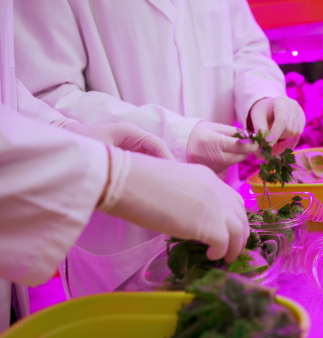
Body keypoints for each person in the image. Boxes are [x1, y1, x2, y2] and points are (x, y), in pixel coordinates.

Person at [14, 0, 305, 298]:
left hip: (223, 197)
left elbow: (245, 49)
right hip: (123, 231)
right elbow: (42, 93)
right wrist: (178, 137)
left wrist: (261, 98)